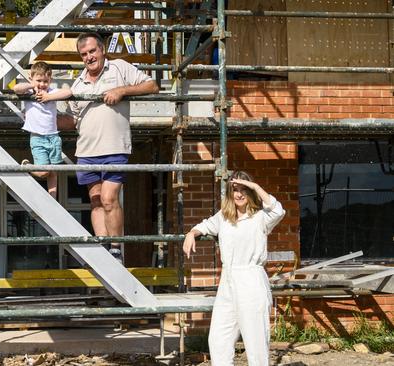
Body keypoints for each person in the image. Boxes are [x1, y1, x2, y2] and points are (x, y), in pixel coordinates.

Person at [60, 32, 159, 263]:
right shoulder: (78, 83)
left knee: (108, 199)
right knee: (95, 200)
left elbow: (152, 85)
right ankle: (103, 249)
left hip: (114, 147)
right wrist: (41, 118)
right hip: (86, 150)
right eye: (83, 54)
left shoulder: (119, 68)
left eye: (92, 51)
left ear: (102, 49)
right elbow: (73, 121)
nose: (89, 57)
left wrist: (122, 90)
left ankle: (116, 249)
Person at [182, 171, 286, 366]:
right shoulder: (224, 217)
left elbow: (278, 210)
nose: (239, 194)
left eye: (244, 189)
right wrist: (191, 233)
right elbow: (205, 225)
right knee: (218, 340)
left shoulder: (261, 218)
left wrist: (255, 186)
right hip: (227, 281)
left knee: (256, 343)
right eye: (235, 190)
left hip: (251, 280)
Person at [13, 61, 72, 199]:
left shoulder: (51, 92)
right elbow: (16, 88)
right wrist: (31, 85)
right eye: (38, 80)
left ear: (50, 80)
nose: (42, 84)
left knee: (53, 170)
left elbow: (68, 92)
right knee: (43, 172)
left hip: (53, 137)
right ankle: (27, 166)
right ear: (31, 79)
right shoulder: (28, 92)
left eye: (45, 81)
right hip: (38, 138)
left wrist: (49, 97)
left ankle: (52, 197)